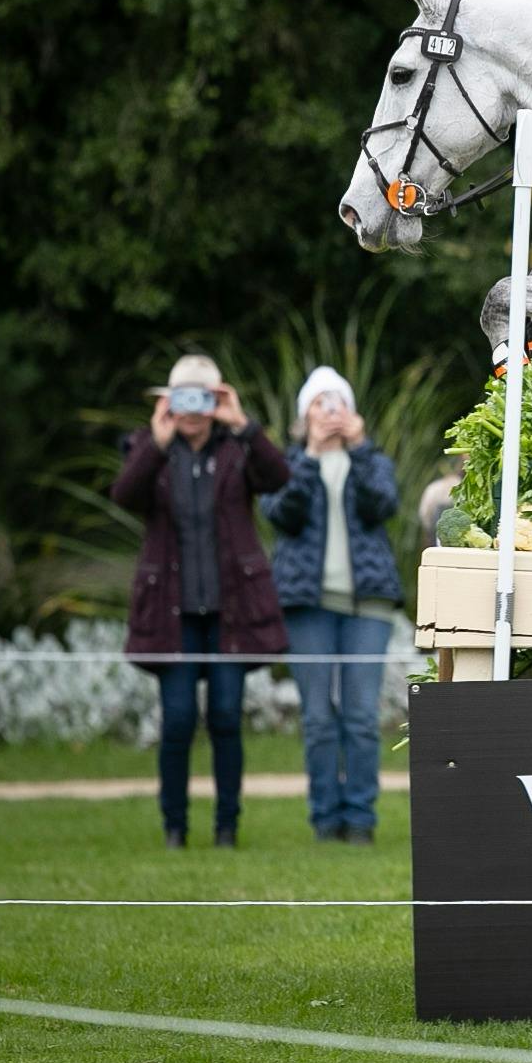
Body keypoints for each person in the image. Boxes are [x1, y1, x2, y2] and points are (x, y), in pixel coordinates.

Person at [109, 353, 289, 849]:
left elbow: (279, 476)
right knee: (178, 720)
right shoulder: (148, 448)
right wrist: (156, 442)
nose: (191, 410)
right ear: (168, 402)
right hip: (173, 613)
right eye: (182, 398)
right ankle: (175, 827)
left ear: (216, 401)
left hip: (230, 612)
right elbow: (124, 495)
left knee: (226, 718)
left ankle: (227, 827)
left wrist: (244, 425)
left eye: (202, 398)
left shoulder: (237, 448)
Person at [261, 365, 404, 845]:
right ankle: (325, 820)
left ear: (351, 411)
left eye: (337, 402)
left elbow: (383, 504)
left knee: (361, 716)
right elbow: (282, 514)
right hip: (307, 606)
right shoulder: (286, 465)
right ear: (304, 415)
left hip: (369, 605)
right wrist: (310, 456)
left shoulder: (372, 460)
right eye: (319, 404)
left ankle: (360, 820)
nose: (329, 411)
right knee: (319, 718)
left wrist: (359, 448)